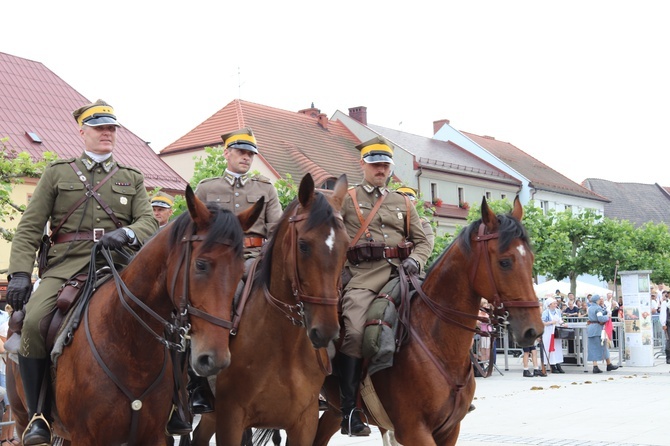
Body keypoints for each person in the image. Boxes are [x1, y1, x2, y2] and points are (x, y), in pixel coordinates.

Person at [5, 99, 158, 445]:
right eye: (100, 128)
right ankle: (39, 415)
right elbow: (30, 227)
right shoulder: (57, 173)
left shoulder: (130, 178)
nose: (107, 133)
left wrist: (129, 233)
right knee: (32, 322)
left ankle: (174, 405)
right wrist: (19, 274)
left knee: (167, 319)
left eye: (111, 128)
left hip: (118, 267)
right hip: (65, 267)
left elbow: (148, 221)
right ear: (82, 131)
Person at [339, 136, 431, 436]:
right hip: (363, 277)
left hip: (402, 275)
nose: (381, 169)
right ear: (362, 164)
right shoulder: (346, 199)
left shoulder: (402, 201)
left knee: (439, 316)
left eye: (385, 165)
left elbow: (422, 240)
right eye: (375, 164)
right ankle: (350, 410)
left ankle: (452, 389)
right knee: (353, 331)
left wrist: (416, 260)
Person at [188, 127, 282, 415]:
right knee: (195, 316)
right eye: (241, 152)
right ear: (226, 153)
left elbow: (277, 227)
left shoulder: (264, 188)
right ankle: (198, 388)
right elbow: (195, 230)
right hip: (219, 265)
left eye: (251, 153)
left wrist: (267, 255)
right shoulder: (207, 188)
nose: (247, 157)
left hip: (256, 258)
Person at [586, 294, 619, 373]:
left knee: (593, 347)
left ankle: (597, 365)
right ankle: (607, 364)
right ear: (597, 300)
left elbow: (599, 313)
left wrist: (606, 311)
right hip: (597, 329)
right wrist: (608, 316)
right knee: (603, 347)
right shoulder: (597, 308)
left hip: (591, 328)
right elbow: (600, 318)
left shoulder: (590, 308)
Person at [540, 297, 567, 373]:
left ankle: (558, 364)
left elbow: (560, 320)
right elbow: (542, 322)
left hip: (556, 332)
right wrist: (551, 322)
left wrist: (563, 324)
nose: (556, 305)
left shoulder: (558, 311)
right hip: (548, 332)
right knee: (550, 348)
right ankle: (552, 365)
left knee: (557, 349)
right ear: (550, 304)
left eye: (556, 303)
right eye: (554, 303)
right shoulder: (546, 312)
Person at [660, 292, 670, 364]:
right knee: (668, 340)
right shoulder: (665, 303)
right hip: (668, 323)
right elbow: (663, 314)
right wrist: (663, 324)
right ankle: (668, 357)